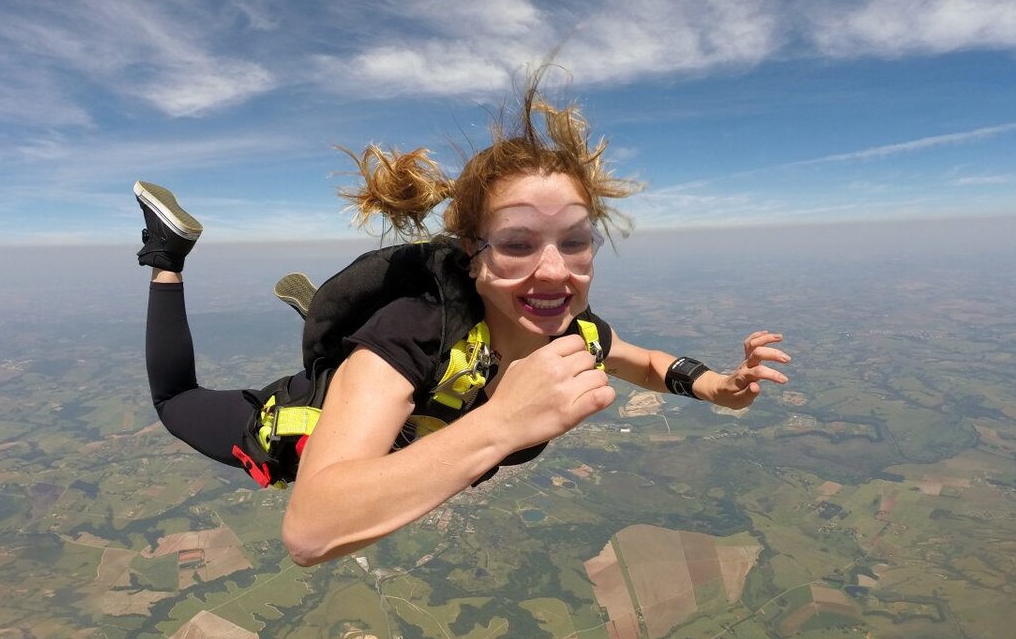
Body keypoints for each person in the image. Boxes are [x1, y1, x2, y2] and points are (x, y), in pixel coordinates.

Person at [136, 80, 790, 567]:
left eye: (575, 241)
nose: (555, 272)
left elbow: (645, 361)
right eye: (516, 244)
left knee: (384, 370)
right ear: (471, 255)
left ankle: (332, 335)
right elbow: (309, 532)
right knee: (175, 402)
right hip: (291, 425)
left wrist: (717, 388)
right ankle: (168, 255)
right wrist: (504, 421)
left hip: (405, 391)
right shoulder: (416, 335)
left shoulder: (575, 333)